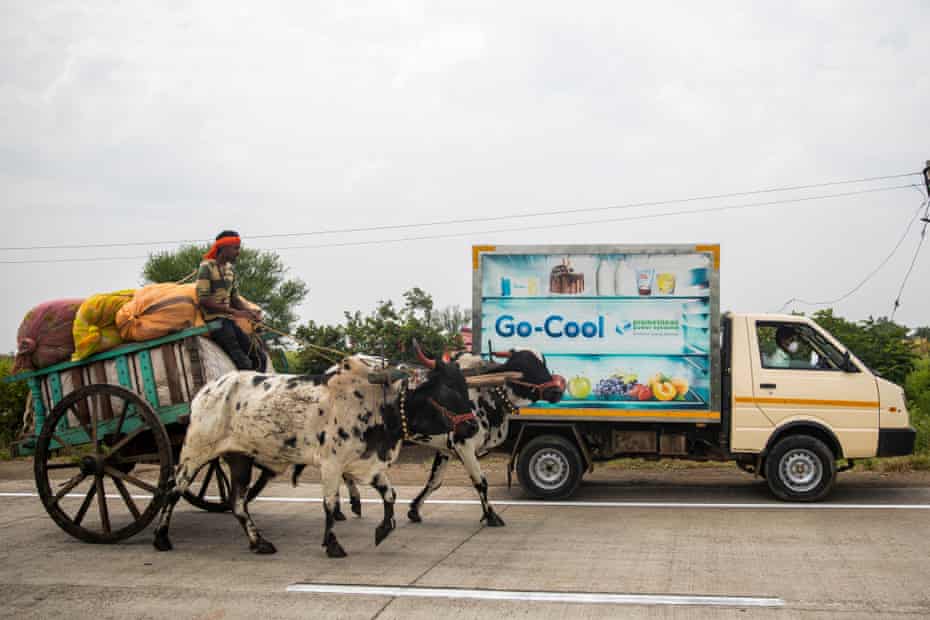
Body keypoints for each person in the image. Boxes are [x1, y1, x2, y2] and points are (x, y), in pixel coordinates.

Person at [195, 230, 264, 370]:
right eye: (235, 248)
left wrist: (250, 312)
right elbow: (204, 300)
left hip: (228, 321)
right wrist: (234, 312)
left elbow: (235, 299)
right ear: (224, 248)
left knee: (259, 357)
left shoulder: (229, 270)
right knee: (243, 362)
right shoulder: (206, 267)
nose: (238, 252)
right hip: (215, 322)